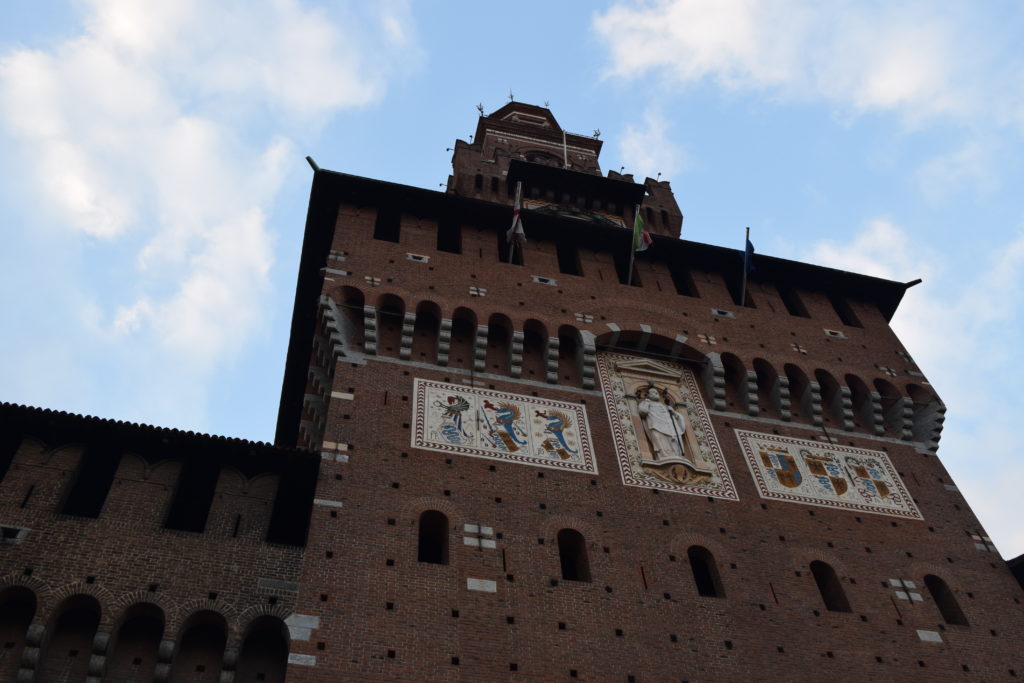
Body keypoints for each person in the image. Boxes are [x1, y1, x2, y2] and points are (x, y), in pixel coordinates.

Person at [637, 386, 689, 462]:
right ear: (648, 395)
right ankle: (663, 456)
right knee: (661, 443)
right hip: (656, 426)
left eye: (657, 392)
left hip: (670, 427)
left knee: (674, 441)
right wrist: (646, 403)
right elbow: (642, 411)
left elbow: (677, 416)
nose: (656, 393)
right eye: (653, 392)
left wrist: (673, 412)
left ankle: (677, 455)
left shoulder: (665, 406)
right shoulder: (646, 402)